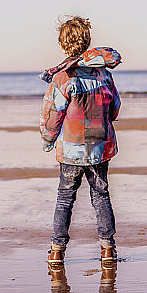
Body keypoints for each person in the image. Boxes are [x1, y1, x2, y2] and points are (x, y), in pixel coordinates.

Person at [39, 16, 122, 267]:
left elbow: (53, 114)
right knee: (101, 195)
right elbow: (115, 108)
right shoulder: (103, 76)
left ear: (63, 45)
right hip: (99, 148)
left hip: (72, 152)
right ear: (87, 42)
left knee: (65, 198)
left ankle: (57, 252)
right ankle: (108, 250)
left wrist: (48, 139)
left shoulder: (63, 78)